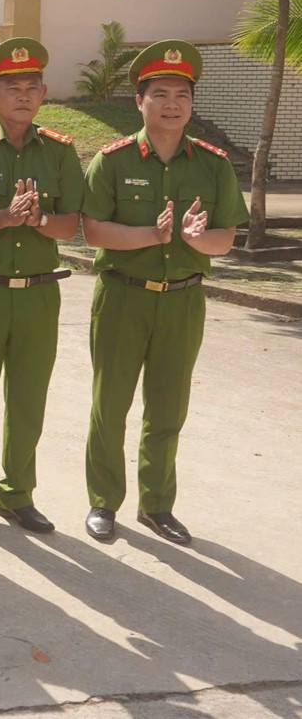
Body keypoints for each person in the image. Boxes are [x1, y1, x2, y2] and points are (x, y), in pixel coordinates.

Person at [80, 41, 248, 546]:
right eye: (159, 94)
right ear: (139, 102)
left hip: (183, 300)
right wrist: (149, 237)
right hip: (123, 296)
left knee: (168, 407)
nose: (171, 104)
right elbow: (92, 232)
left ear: (191, 104)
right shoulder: (113, 160)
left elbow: (225, 239)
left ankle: (157, 505)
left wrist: (197, 239)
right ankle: (104, 502)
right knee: (110, 404)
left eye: (181, 95)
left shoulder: (213, 165)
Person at [0, 39, 85, 538]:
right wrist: (6, 218)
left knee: (29, 399)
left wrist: (39, 219)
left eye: (31, 88)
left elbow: (71, 227)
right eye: (11, 88)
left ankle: (19, 495)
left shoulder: (61, 152)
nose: (22, 96)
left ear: (43, 93)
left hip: (39, 294)